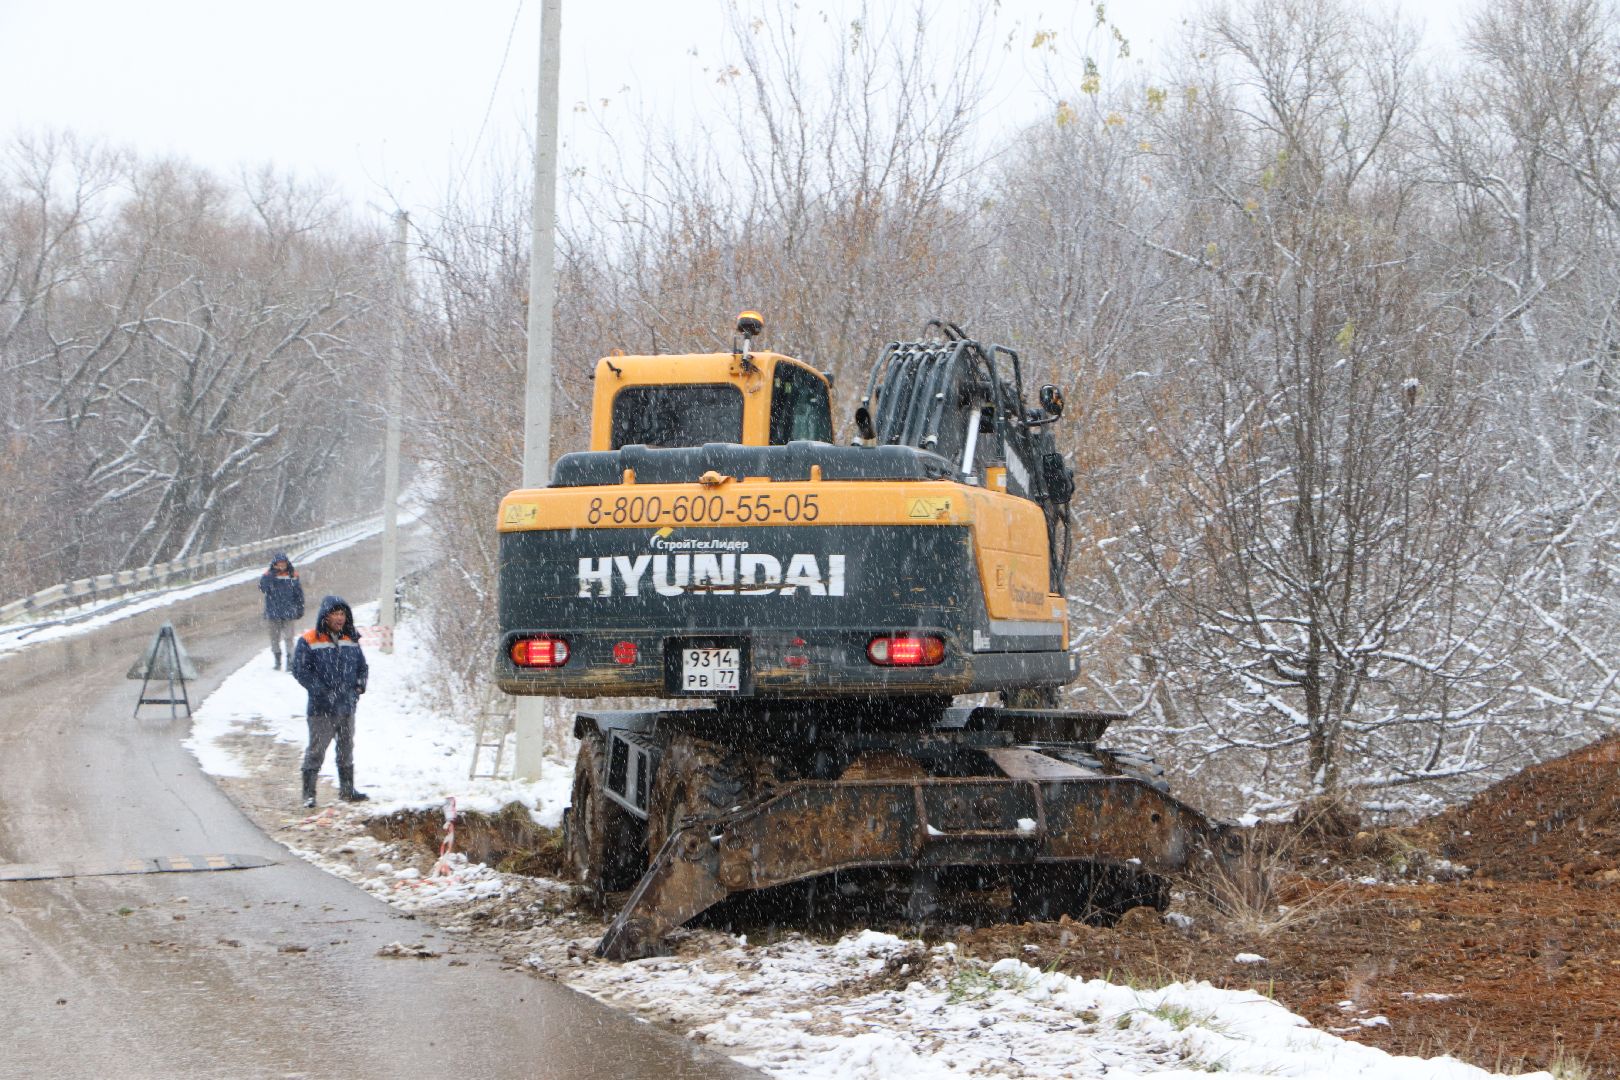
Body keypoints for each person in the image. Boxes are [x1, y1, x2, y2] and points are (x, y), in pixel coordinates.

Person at [289, 595, 369, 808]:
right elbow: (300, 671)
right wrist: (322, 692)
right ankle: (309, 794)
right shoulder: (309, 640)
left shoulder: (351, 638)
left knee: (346, 749)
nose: (340, 618)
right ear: (325, 616)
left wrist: (359, 686)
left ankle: (347, 790)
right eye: (335, 613)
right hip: (321, 709)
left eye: (342, 614)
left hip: (347, 706)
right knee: (316, 750)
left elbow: (362, 666)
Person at [258, 553, 305, 671]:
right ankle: (277, 660)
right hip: (273, 613)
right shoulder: (268, 575)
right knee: (274, 638)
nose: (281, 565)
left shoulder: (293, 574)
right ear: (275, 564)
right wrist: (272, 575)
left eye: (283, 562)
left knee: (289, 638)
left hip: (289, 612)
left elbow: (298, 593)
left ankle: (290, 662)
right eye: (279, 563)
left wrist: (300, 608)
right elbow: (262, 588)